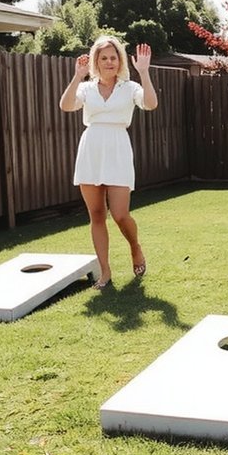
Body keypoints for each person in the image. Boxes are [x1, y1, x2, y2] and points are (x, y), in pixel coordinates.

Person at [59, 36, 158, 289]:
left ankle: (135, 247)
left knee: (121, 214)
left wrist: (144, 73)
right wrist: (77, 76)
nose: (109, 62)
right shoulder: (86, 88)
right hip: (91, 149)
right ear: (96, 61)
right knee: (96, 215)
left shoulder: (130, 87)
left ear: (120, 61)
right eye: (104, 58)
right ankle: (105, 272)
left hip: (118, 149)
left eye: (113, 57)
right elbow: (66, 105)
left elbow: (150, 104)